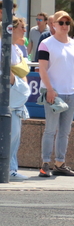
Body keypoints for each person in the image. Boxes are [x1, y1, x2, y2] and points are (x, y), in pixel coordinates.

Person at [37, 10, 74, 177]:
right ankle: (45, 164)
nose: (64, 26)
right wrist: (49, 89)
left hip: (71, 93)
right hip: (53, 93)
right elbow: (42, 69)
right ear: (53, 25)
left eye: (67, 23)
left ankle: (60, 163)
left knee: (65, 131)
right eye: (61, 23)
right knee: (50, 129)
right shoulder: (46, 43)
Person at [8, 17, 31, 181]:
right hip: (11, 96)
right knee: (11, 134)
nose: (24, 30)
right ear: (12, 29)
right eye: (22, 27)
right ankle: (8, 169)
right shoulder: (5, 47)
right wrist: (18, 85)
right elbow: (8, 72)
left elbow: (23, 73)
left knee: (16, 136)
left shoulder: (17, 48)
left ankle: (11, 168)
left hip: (17, 98)